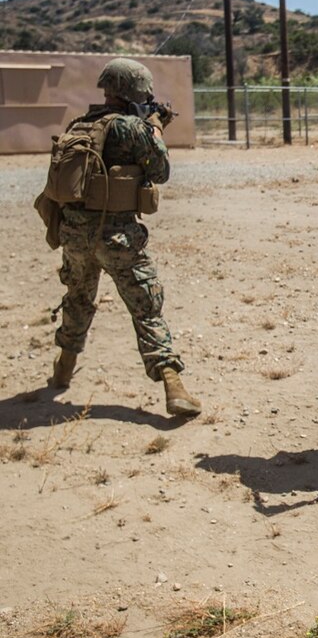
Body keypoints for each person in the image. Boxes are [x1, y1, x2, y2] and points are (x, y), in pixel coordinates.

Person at [49, 58, 201, 417]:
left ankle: (63, 370)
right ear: (135, 92)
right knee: (146, 307)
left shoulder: (79, 124)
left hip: (75, 235)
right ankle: (173, 386)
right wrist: (155, 128)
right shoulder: (132, 128)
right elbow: (160, 171)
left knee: (78, 300)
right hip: (117, 237)